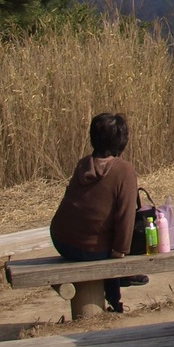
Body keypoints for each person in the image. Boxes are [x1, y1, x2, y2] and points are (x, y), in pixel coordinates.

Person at [49, 112, 145, 314]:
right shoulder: (124, 170)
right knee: (132, 239)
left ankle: (115, 293)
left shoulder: (83, 164)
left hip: (61, 240)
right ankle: (114, 301)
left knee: (109, 241)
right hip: (90, 249)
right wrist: (120, 251)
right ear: (122, 141)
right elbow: (125, 216)